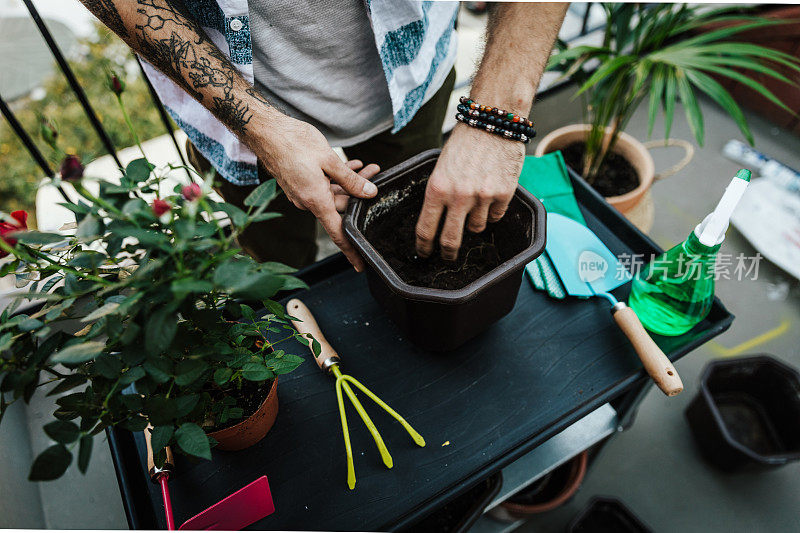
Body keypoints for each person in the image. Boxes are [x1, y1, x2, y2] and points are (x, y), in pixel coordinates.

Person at [81, 0, 567, 270]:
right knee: (276, 268)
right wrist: (261, 128)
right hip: (239, 115)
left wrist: (496, 119)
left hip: (414, 76)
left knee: (420, 237)